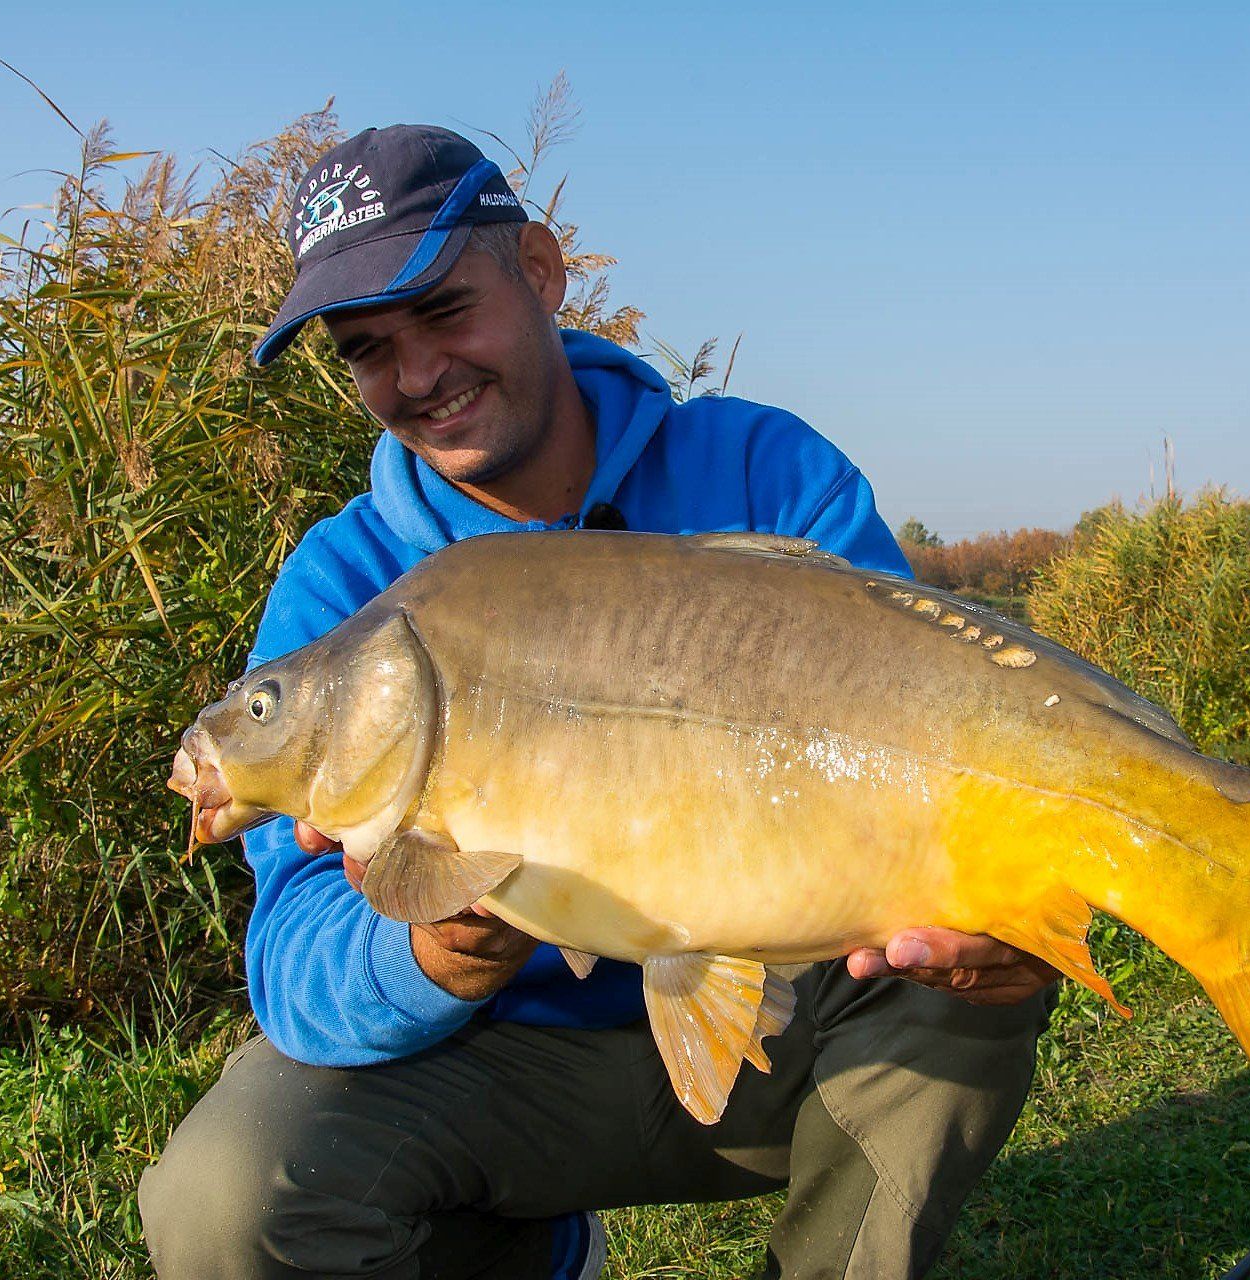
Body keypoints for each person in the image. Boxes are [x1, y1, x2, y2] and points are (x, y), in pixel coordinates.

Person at [140, 124, 1058, 1280]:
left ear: (539, 268)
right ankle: (524, 1249)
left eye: (443, 310)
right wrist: (443, 946)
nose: (418, 374)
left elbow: (932, 729)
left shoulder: (764, 472)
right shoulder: (347, 588)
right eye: (370, 347)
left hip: (797, 1022)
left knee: (966, 984)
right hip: (515, 1073)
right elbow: (294, 965)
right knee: (229, 1189)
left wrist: (1004, 915)